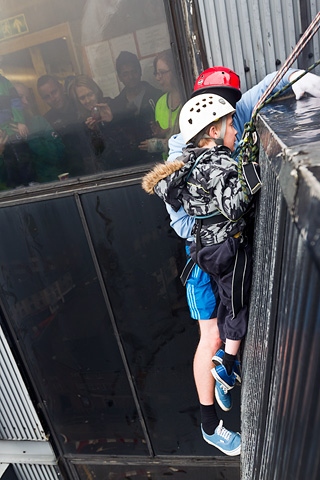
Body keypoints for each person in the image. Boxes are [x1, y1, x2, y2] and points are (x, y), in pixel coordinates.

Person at [142, 65, 320, 455]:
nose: (229, 109)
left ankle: (230, 366)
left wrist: (304, 81)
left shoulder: (234, 114)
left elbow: (277, 81)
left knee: (241, 314)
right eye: (221, 101)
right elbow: (185, 222)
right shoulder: (184, 147)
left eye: (231, 100)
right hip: (204, 249)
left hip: (230, 242)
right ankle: (209, 425)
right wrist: (222, 221)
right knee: (213, 333)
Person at [108, 51, 163, 166]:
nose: (131, 77)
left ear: (140, 71)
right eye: (125, 74)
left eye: (134, 72)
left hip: (158, 160)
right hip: (130, 165)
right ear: (120, 77)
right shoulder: (116, 105)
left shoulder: (157, 97)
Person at [13, 82, 65, 183]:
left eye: (28, 98)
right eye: (20, 97)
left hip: (48, 183)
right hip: (17, 192)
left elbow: (59, 153)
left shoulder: (39, 122)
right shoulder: (3, 131)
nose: (26, 102)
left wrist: (31, 138)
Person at [37, 74, 86, 177]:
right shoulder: (46, 121)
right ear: (43, 100)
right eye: (47, 97)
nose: (52, 98)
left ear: (61, 87)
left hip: (95, 169)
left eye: (54, 92)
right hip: (69, 175)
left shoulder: (81, 104)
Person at [68, 74, 119, 171]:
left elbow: (127, 145)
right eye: (82, 98)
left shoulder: (113, 106)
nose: (87, 100)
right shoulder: (81, 123)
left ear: (96, 92)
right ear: (78, 101)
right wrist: (93, 133)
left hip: (126, 168)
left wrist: (111, 121)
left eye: (90, 94)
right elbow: (94, 157)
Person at [139, 49, 182, 158]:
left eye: (162, 73)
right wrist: (161, 133)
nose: (158, 78)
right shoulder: (160, 102)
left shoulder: (189, 98)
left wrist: (161, 144)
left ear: (175, 71)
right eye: (156, 74)